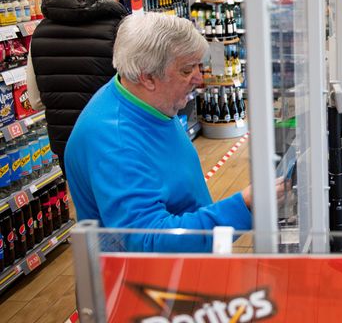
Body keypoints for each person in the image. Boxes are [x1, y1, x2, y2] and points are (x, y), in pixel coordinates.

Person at [65, 13, 256, 253]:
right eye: (187, 70)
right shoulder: (115, 141)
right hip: (141, 284)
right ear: (147, 77)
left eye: (199, 66)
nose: (199, 79)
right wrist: (245, 205)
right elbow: (149, 242)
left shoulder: (149, 100)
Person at [27, 0, 128, 174]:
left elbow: (35, 100)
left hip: (66, 143)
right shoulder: (120, 28)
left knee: (84, 203)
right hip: (112, 139)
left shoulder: (41, 29)